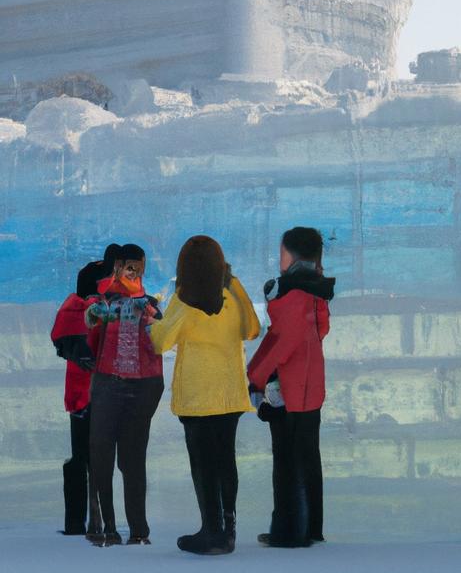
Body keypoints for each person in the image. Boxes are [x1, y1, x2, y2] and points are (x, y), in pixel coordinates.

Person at [150, 236, 260, 555]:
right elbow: (252, 329)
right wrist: (235, 284)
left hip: (197, 397)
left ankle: (210, 531)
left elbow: (161, 342)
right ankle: (228, 531)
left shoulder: (184, 299)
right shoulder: (230, 292)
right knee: (226, 460)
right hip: (229, 394)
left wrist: (155, 322)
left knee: (203, 464)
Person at [247, 227, 334, 548]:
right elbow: (318, 332)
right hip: (311, 386)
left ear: (290, 255)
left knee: (286, 462)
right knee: (308, 457)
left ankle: (288, 532)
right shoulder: (318, 292)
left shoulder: (290, 294)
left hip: (288, 389)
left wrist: (256, 375)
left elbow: (282, 342)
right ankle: (312, 527)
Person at [84, 243, 164, 546]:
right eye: (129, 266)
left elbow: (159, 339)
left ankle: (125, 529)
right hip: (129, 382)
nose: (132, 272)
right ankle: (122, 529)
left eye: (136, 267)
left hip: (125, 383)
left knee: (120, 456)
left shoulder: (145, 303)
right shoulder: (105, 303)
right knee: (121, 456)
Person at [50, 243, 120, 535]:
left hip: (85, 397)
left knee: (85, 456)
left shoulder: (76, 309)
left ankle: (80, 520)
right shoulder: (85, 309)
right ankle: (91, 519)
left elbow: (62, 340)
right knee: (91, 457)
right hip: (89, 397)